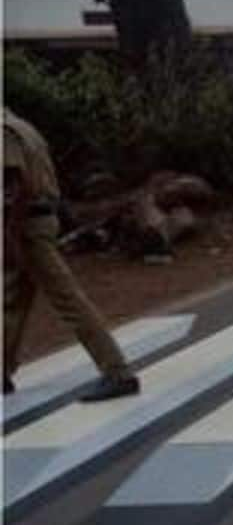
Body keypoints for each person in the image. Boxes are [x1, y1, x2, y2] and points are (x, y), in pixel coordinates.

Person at [3, 108, 140, 402]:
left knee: (68, 299)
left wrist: (9, 235)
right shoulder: (22, 125)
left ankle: (117, 371)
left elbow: (13, 188)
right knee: (11, 299)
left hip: (26, 226)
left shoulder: (4, 132)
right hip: (36, 220)